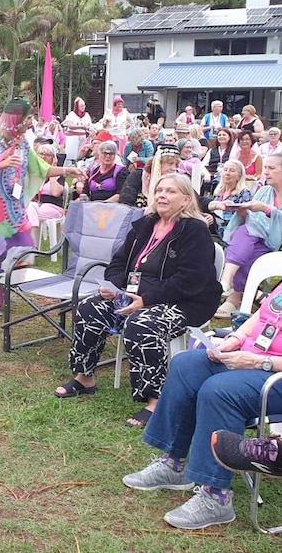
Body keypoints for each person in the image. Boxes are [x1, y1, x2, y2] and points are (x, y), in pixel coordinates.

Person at [122, 264, 282, 530]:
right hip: (252, 355)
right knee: (186, 365)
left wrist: (261, 362)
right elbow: (265, 313)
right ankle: (174, 464)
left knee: (221, 390)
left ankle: (215, 497)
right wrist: (236, 337)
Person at [55, 173, 221, 427]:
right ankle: (84, 377)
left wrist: (146, 299)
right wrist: (112, 286)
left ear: (186, 199)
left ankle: (156, 399)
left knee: (142, 323)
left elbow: (190, 280)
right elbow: (118, 263)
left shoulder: (195, 230)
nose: (162, 195)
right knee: (90, 307)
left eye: (171, 191)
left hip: (182, 301)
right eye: (160, 190)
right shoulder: (146, 225)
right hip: (134, 294)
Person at [0, 98, 84, 316]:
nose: (29, 123)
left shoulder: (22, 143)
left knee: (17, 251)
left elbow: (40, 168)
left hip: (15, 209)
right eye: (26, 118)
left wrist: (67, 172)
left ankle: (7, 291)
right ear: (14, 119)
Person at [217, 151, 282, 318]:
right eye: (265, 167)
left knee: (248, 241)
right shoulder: (264, 190)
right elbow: (252, 222)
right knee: (246, 233)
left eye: (271, 168)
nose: (265, 172)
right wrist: (242, 212)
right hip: (262, 239)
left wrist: (266, 209)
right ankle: (229, 284)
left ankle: (235, 293)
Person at [26, 143, 66, 244]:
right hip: (37, 206)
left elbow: (56, 192)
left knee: (27, 215)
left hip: (54, 207)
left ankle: (31, 244)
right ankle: (32, 244)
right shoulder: (36, 174)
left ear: (53, 158)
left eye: (47, 154)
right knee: (30, 207)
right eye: (40, 154)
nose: (43, 157)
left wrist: (52, 172)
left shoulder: (59, 174)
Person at [202, 159, 252, 240]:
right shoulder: (218, 192)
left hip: (232, 233)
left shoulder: (244, 193)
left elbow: (245, 219)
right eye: (225, 170)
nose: (227, 173)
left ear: (239, 176)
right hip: (214, 231)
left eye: (232, 171)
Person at [120, 144, 180, 208]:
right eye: (170, 163)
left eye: (176, 165)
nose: (174, 168)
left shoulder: (178, 181)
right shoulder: (137, 176)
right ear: (159, 163)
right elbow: (125, 203)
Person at [64, 97, 92, 163]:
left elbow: (89, 125)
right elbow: (69, 125)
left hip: (83, 137)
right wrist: (81, 127)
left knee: (81, 154)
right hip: (72, 137)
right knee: (71, 156)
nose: (83, 107)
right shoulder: (72, 114)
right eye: (81, 106)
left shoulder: (87, 115)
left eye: (84, 105)